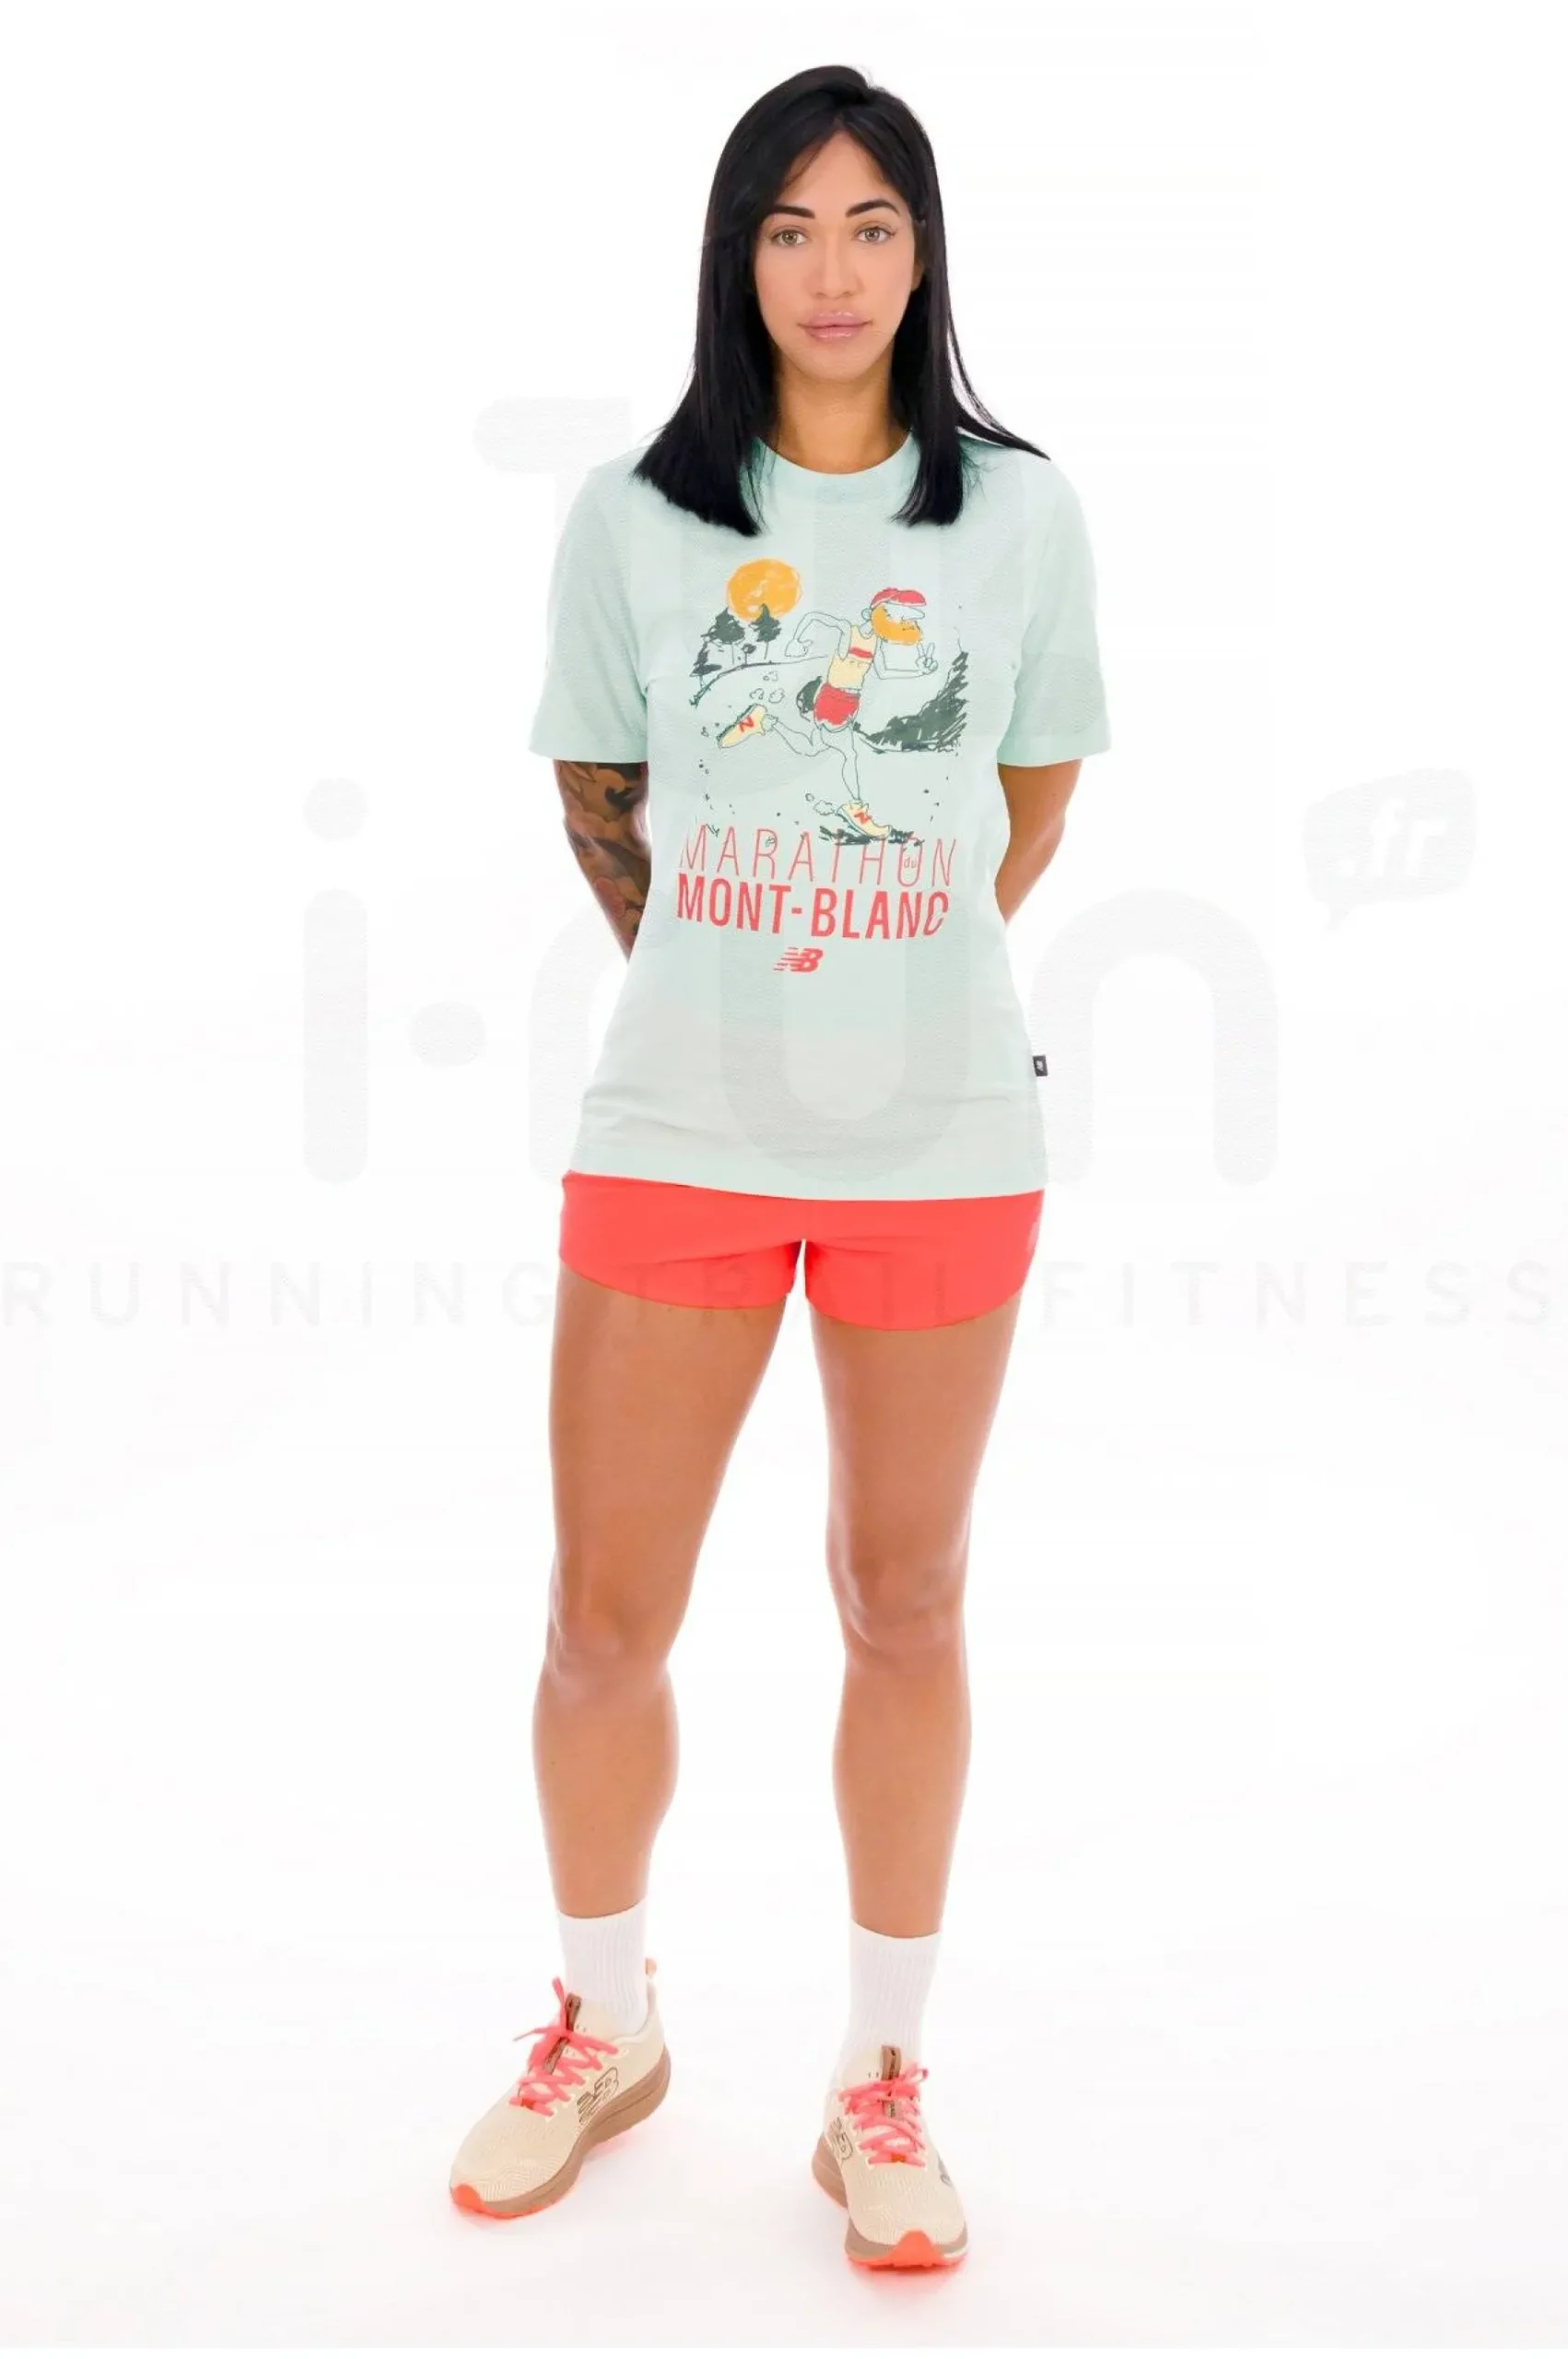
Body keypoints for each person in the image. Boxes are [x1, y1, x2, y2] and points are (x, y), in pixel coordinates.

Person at [448, 61, 1110, 2271]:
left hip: (942, 1137)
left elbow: (1025, 800)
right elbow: (598, 795)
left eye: (872, 225)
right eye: (789, 227)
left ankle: (876, 2076)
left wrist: (888, 975)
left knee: (902, 1600)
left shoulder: (1014, 516)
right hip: (676, 1128)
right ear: (735, 259)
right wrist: (738, 977)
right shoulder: (636, 518)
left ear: (924, 258)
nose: (833, 271)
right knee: (598, 1615)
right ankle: (603, 2021)